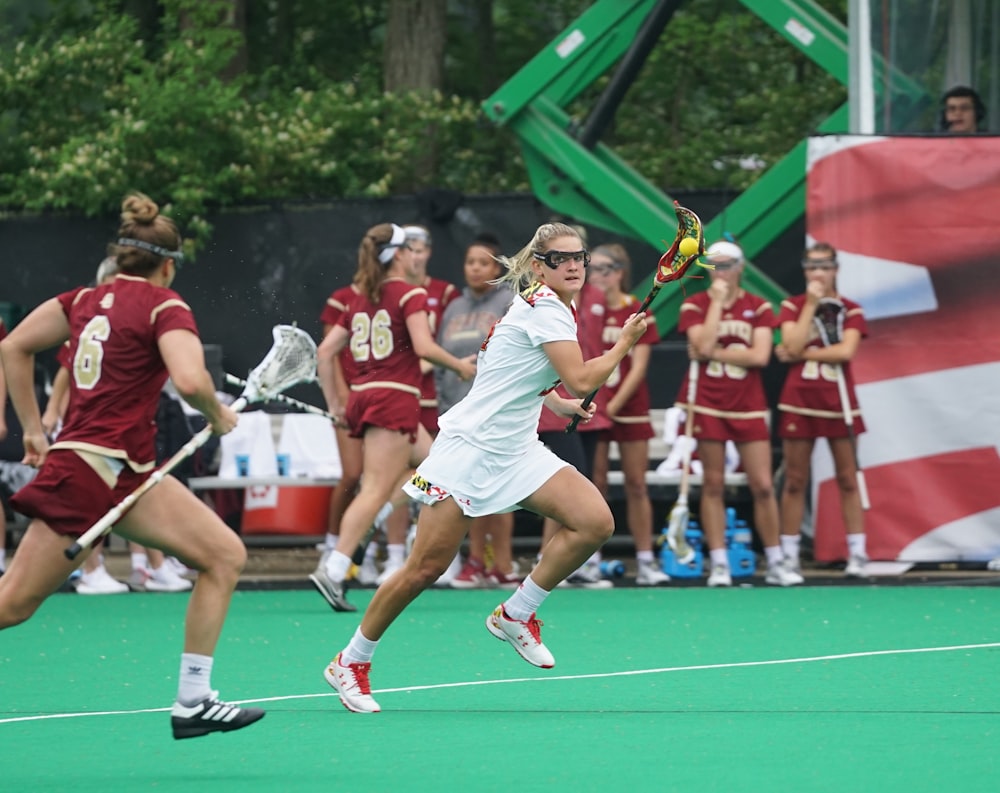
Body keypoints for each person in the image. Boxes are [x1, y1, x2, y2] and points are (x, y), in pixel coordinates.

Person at [322, 222, 649, 714]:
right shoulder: (546, 308)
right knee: (424, 569)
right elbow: (583, 376)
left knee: (595, 522)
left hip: (517, 448)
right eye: (562, 258)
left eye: (579, 255)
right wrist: (624, 343)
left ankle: (516, 614)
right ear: (539, 265)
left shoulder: (547, 303)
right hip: (470, 450)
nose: (576, 264)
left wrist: (556, 404)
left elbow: (509, 368)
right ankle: (351, 660)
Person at [0, 192, 264, 739]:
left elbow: (14, 347)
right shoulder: (166, 306)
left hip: (129, 471)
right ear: (169, 265)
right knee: (13, 605)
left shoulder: (80, 300)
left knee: (223, 555)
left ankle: (193, 700)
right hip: (89, 469)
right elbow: (191, 382)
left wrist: (31, 426)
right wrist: (217, 416)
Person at [310, 222, 476, 613]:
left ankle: (375, 526)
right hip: (394, 399)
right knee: (374, 488)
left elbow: (324, 353)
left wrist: (336, 402)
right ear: (399, 254)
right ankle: (335, 568)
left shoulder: (358, 299)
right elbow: (423, 347)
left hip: (370, 398)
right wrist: (459, 367)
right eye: (411, 250)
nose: (417, 256)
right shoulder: (408, 293)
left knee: (439, 465)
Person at [42, 255, 192, 596]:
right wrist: (51, 414)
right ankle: (91, 569)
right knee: (93, 503)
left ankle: (153, 566)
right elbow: (64, 369)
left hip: (124, 433)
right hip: (88, 431)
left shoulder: (137, 318)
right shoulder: (91, 315)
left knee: (135, 494)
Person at [676, 240, 803, 588]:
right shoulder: (695, 304)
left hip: (748, 405)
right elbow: (700, 347)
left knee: (762, 484)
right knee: (713, 484)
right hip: (708, 402)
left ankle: (776, 560)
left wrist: (711, 351)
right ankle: (719, 564)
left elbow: (760, 357)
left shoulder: (759, 306)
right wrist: (716, 306)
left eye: (729, 264)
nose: (723, 272)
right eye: (715, 265)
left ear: (741, 268)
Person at [775, 242, 869, 577]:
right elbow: (791, 342)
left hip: (838, 400)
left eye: (825, 266)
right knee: (796, 478)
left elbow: (845, 351)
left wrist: (800, 355)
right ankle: (788, 555)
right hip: (800, 400)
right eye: (812, 266)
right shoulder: (793, 305)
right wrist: (811, 305)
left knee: (847, 477)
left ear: (835, 270)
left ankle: (858, 553)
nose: (818, 273)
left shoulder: (850, 309)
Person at [433, 233, 519, 589]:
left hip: (497, 414)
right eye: (470, 262)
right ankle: (476, 563)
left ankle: (499, 564)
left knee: (496, 492)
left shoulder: (510, 302)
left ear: (496, 267)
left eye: (483, 263)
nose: (475, 268)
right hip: (458, 416)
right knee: (467, 491)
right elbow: (440, 359)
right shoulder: (453, 307)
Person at [587, 244, 670, 586]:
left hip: (628, 408)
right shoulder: (584, 310)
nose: (599, 276)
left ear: (620, 272)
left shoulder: (636, 309)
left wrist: (615, 405)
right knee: (595, 485)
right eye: (595, 269)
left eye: (607, 269)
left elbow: (639, 367)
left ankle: (646, 559)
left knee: (637, 484)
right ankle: (590, 559)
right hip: (593, 407)